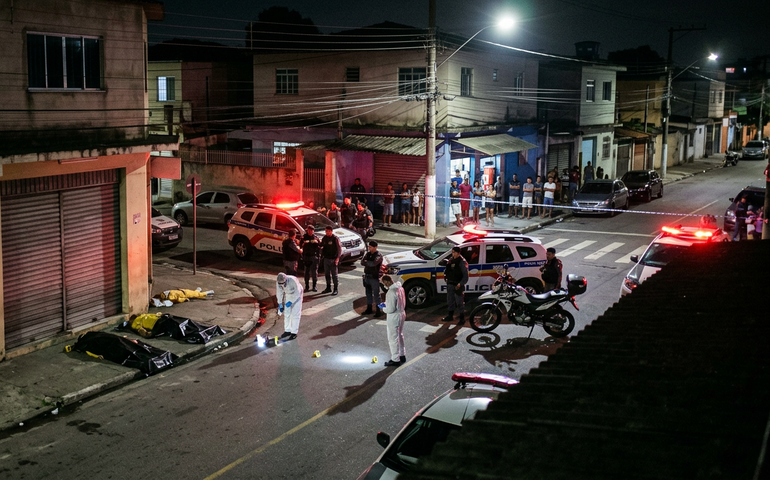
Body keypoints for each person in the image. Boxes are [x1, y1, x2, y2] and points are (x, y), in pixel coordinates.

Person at [380, 275, 406, 367]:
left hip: (394, 317)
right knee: (400, 335)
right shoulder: (400, 288)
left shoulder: (390, 292)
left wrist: (383, 308)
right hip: (402, 313)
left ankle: (395, 359)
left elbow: (390, 309)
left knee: (393, 338)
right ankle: (402, 354)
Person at [442, 246, 468, 324]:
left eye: (454, 252)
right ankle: (450, 316)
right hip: (450, 283)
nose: (453, 254)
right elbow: (447, 270)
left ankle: (462, 319)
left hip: (458, 285)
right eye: (452, 252)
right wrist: (446, 277)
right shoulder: (451, 260)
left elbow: (465, 276)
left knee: (459, 302)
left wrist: (460, 284)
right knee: (450, 301)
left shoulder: (462, 262)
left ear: (458, 253)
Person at [276, 272, 303, 340]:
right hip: (288, 295)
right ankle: (287, 330)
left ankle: (294, 332)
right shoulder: (278, 282)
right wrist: (280, 303)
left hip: (297, 295)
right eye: (280, 284)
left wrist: (291, 302)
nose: (281, 285)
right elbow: (279, 292)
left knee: (295, 314)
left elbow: (297, 292)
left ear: (286, 280)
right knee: (287, 313)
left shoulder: (293, 280)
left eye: (283, 283)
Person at [361, 240, 384, 317]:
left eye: (370, 247)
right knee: (368, 293)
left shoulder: (378, 255)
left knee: (377, 295)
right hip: (367, 276)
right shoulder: (368, 254)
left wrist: (366, 262)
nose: (369, 248)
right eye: (369, 246)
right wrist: (367, 262)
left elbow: (373, 264)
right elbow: (362, 262)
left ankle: (378, 310)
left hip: (374, 277)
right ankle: (369, 308)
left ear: (375, 247)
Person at [320, 225, 341, 295]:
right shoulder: (324, 238)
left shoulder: (335, 238)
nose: (327, 233)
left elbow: (339, 249)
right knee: (327, 274)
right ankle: (328, 287)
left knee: (334, 275)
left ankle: (335, 289)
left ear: (331, 231)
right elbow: (321, 245)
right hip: (326, 258)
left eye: (328, 231)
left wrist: (337, 258)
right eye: (326, 231)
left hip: (333, 259)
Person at [299, 225, 321, 291]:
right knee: (306, 272)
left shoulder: (316, 238)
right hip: (306, 257)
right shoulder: (303, 238)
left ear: (313, 231)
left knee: (314, 272)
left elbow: (320, 246)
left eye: (311, 230)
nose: (310, 232)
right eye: (309, 230)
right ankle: (307, 286)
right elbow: (300, 246)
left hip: (314, 257)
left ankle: (314, 286)